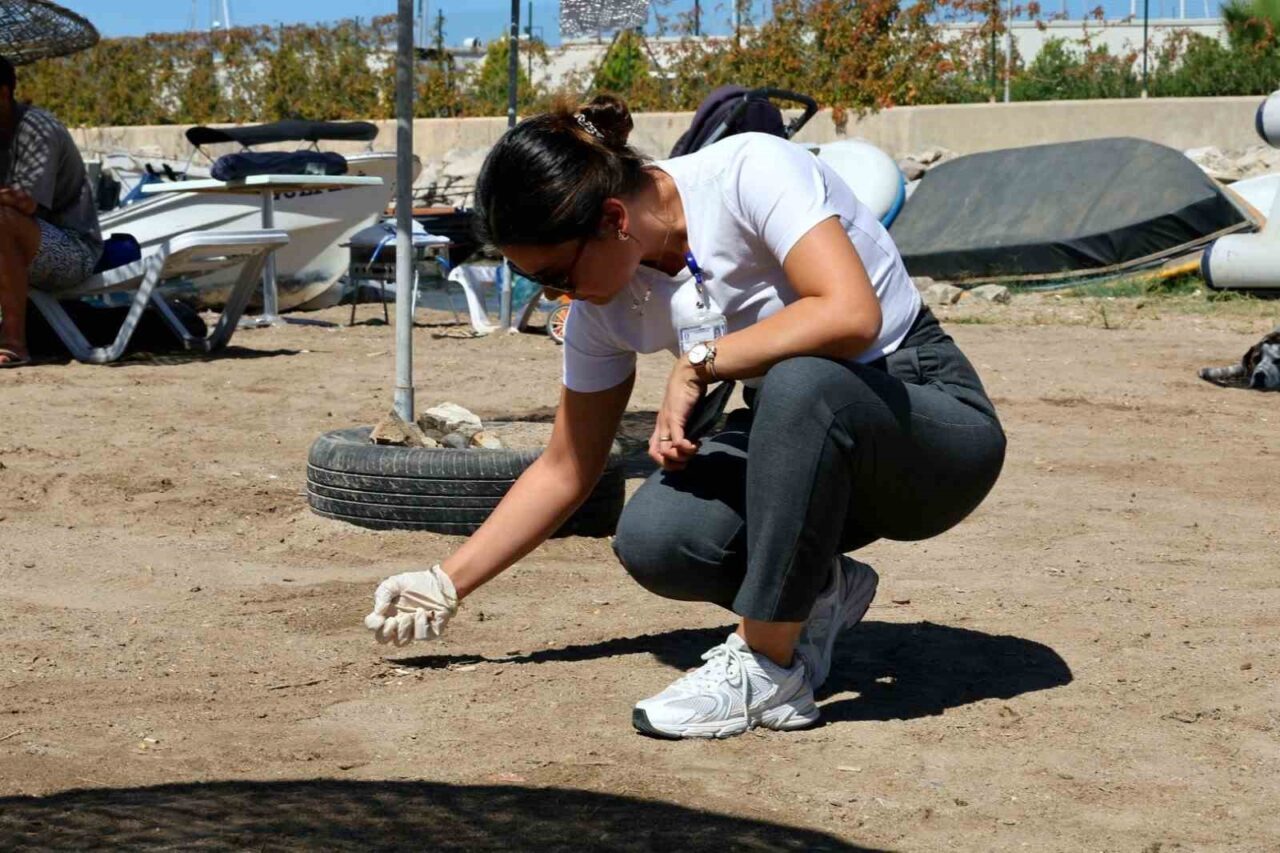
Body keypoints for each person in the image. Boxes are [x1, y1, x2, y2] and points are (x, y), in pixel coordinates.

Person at [364, 95, 1007, 740]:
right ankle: (816, 593)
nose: (557, 296)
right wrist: (446, 582)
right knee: (661, 537)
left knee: (801, 382)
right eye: (537, 282)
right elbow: (568, 465)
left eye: (557, 273)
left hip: (925, 424)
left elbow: (848, 313)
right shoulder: (604, 310)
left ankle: (767, 667)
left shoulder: (747, 173)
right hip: (802, 443)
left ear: (613, 217)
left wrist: (701, 360)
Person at [0, 54, 103, 368]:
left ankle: (13, 342)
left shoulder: (37, 129)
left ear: (2, 94)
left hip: (73, 249)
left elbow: (25, 203)